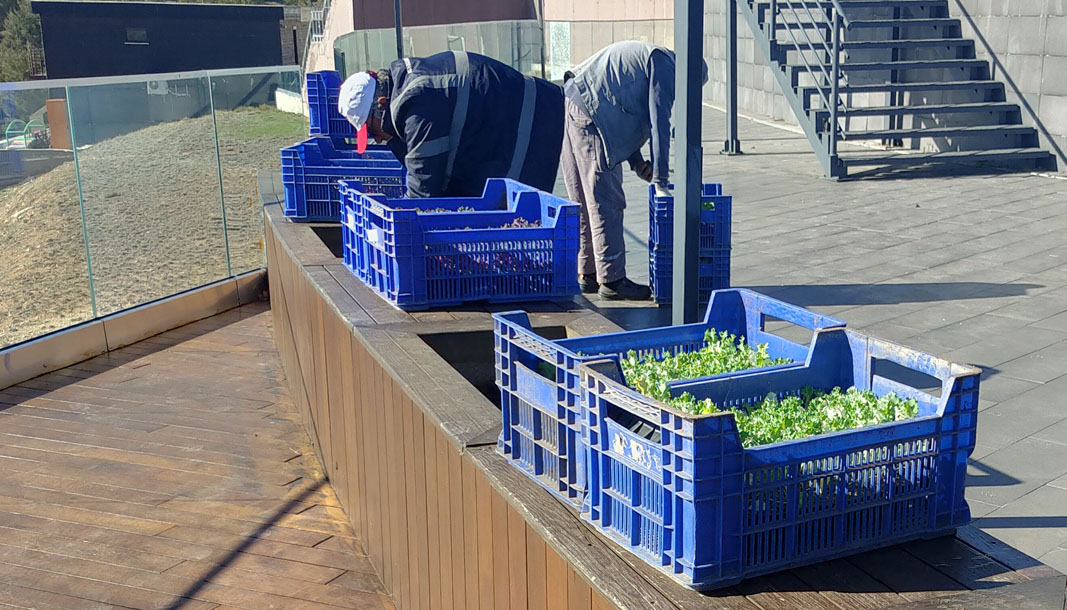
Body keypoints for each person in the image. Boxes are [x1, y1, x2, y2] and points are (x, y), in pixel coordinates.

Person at [560, 41, 706, 301]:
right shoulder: (665, 66)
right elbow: (658, 120)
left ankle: (589, 273)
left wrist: (638, 163)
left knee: (581, 199)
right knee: (605, 198)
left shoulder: (651, 59)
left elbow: (624, 111)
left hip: (573, 102)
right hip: (591, 112)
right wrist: (661, 180)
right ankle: (613, 280)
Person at [338, 52, 565, 198]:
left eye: (372, 130)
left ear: (381, 103)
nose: (377, 139)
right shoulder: (407, 84)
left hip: (540, 125)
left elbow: (423, 188)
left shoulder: (416, 103)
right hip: (517, 124)